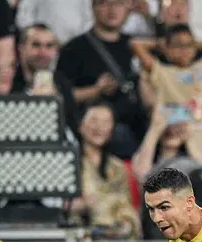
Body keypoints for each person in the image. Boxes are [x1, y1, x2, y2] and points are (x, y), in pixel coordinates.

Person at [58, 0, 146, 159]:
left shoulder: (137, 46)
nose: (112, 9)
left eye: (119, 3)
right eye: (105, 3)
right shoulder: (74, 49)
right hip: (96, 129)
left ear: (129, 8)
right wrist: (95, 90)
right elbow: (61, 96)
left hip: (137, 126)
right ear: (93, 7)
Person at [133, 23, 202, 163]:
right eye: (178, 45)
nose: (184, 50)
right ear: (166, 49)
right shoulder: (162, 72)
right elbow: (136, 45)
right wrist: (163, 44)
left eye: (188, 45)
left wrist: (194, 44)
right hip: (175, 148)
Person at [69, 101, 141, 239]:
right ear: (80, 125)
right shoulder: (68, 163)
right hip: (78, 230)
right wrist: (81, 205)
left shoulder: (118, 167)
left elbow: (126, 204)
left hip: (115, 233)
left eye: (106, 122)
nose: (99, 127)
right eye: (93, 120)